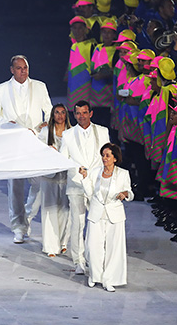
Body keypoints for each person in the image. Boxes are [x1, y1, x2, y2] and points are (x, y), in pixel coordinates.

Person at [0, 55, 52, 244]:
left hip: (35, 142)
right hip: (13, 144)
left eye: (25, 68)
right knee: (15, 187)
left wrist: (43, 127)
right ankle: (18, 227)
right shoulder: (1, 90)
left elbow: (48, 110)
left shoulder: (40, 86)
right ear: (12, 70)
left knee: (40, 183)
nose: (23, 71)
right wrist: (7, 123)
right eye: (19, 68)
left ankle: (27, 217)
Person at [59, 100, 110, 274]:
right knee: (78, 223)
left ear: (91, 113)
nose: (81, 116)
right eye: (78, 113)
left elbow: (107, 157)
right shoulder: (68, 135)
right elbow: (63, 159)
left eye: (85, 112)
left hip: (96, 184)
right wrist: (77, 171)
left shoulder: (103, 132)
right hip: (76, 185)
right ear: (74, 115)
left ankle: (95, 258)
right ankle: (78, 260)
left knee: (97, 223)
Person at [79, 143, 133, 292]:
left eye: (108, 155)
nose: (104, 158)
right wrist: (84, 178)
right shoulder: (95, 172)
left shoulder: (123, 174)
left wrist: (125, 194)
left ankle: (108, 279)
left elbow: (129, 191)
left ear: (115, 158)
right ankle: (94, 276)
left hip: (114, 215)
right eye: (103, 155)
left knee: (113, 248)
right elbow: (90, 193)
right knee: (92, 246)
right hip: (96, 214)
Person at [37, 104, 72, 257]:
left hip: (66, 177)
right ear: (52, 115)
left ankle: (63, 242)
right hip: (49, 177)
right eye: (56, 112)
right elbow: (37, 149)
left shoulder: (72, 132)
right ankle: (51, 246)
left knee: (65, 211)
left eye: (62, 113)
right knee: (49, 210)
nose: (59, 115)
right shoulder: (45, 131)